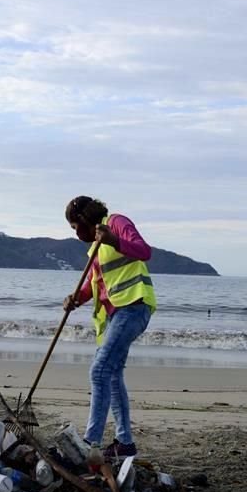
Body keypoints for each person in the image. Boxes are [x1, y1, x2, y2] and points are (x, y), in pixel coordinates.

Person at [62, 196, 156, 458]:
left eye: (74, 227)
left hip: (134, 306)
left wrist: (114, 239)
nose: (75, 233)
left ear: (83, 220)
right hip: (116, 315)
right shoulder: (95, 249)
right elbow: (92, 284)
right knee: (112, 375)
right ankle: (124, 444)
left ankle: (89, 442)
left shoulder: (116, 223)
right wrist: (76, 299)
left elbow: (144, 251)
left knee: (100, 370)